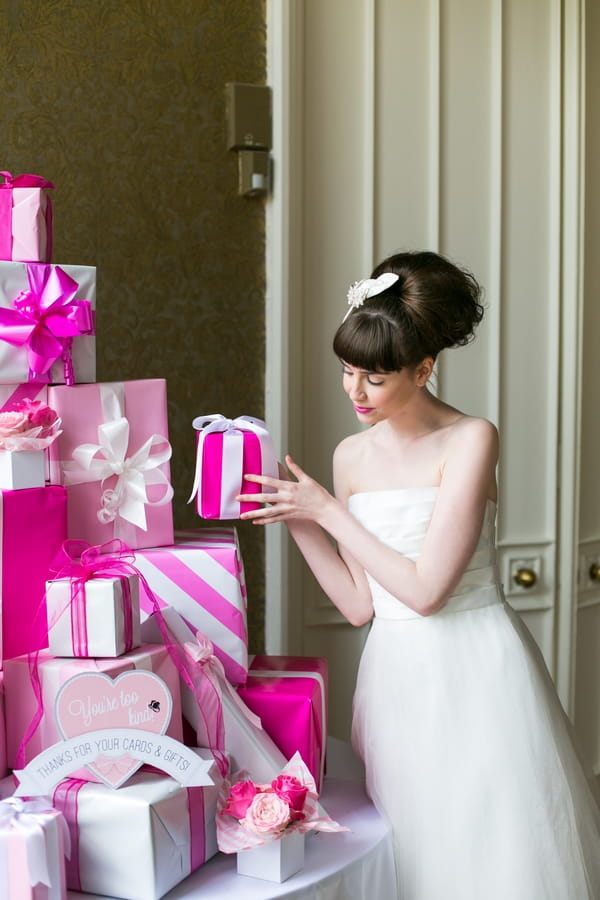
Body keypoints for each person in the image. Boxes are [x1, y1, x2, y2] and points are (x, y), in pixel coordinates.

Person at [236, 250, 600, 899]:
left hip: (479, 673)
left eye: (373, 378)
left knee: (486, 852)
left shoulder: (470, 439)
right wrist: (296, 517)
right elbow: (357, 604)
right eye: (347, 371)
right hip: (395, 681)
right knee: (413, 852)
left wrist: (327, 511)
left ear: (423, 368)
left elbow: (428, 592)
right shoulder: (350, 455)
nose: (354, 392)